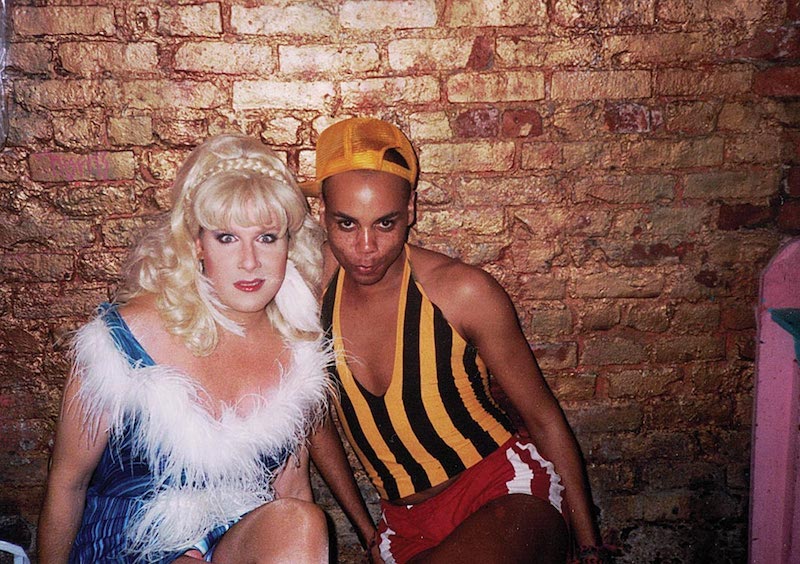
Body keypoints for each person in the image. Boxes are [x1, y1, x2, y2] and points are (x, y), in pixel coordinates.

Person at [302, 117, 611, 563]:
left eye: (385, 223)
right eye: (346, 224)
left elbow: (543, 417)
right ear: (323, 217)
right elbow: (313, 422)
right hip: (402, 528)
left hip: (502, 493)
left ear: (410, 211)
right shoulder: (309, 302)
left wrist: (588, 546)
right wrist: (367, 529)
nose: (365, 247)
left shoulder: (462, 293)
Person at [38, 134, 334, 563]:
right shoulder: (121, 341)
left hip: (234, 534)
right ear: (197, 243)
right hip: (130, 541)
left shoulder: (298, 347)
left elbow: (291, 491)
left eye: (267, 238)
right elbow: (67, 483)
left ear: (289, 243)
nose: (250, 262)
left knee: (303, 523)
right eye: (227, 238)